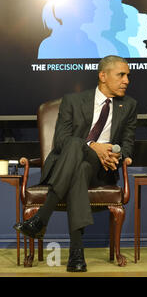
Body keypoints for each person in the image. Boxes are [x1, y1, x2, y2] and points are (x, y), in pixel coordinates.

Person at [14, 55, 138, 272]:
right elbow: (61, 141)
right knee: (76, 157)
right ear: (103, 76)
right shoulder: (73, 101)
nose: (127, 80)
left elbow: (127, 145)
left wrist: (112, 152)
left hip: (103, 168)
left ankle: (41, 218)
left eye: (128, 75)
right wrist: (92, 145)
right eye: (121, 75)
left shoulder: (128, 105)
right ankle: (76, 254)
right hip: (69, 163)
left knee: (78, 151)